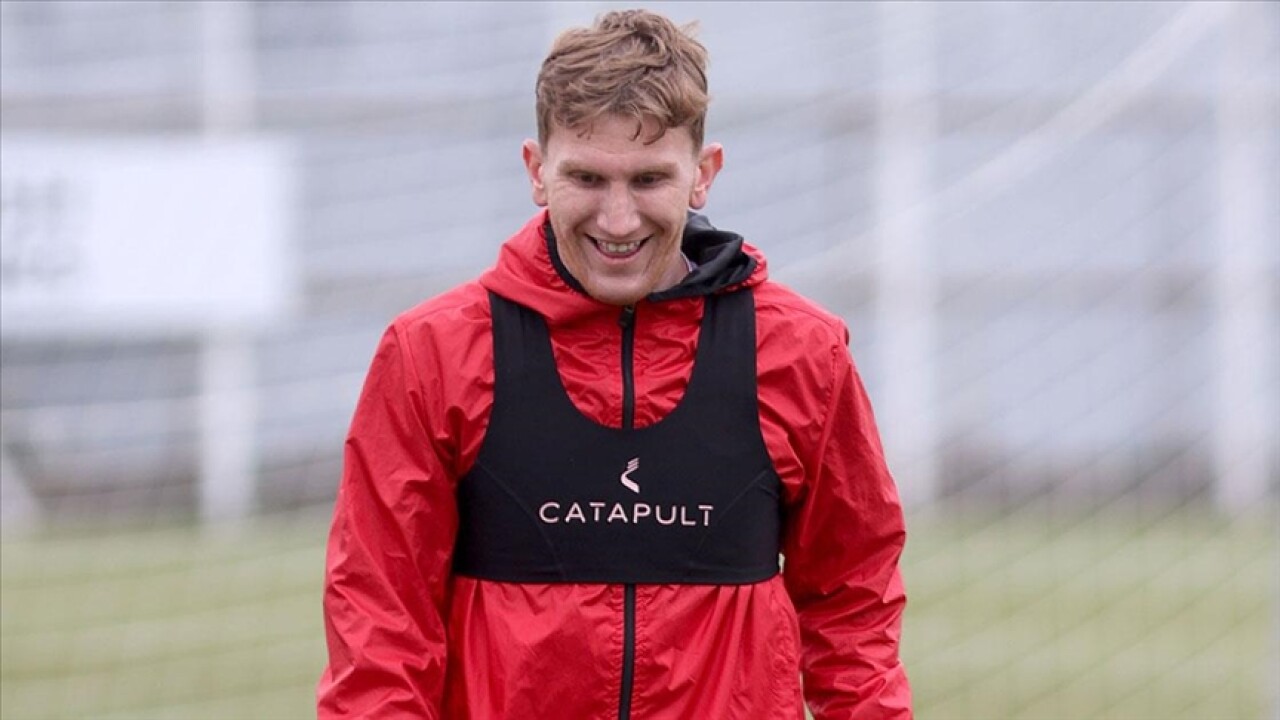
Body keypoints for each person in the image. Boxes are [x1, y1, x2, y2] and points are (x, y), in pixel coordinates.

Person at [318, 8, 911, 719]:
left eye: (649, 178)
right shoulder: (432, 353)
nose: (619, 219)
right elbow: (380, 630)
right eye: (588, 178)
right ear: (537, 172)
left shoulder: (803, 351)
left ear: (704, 174)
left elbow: (854, 609)